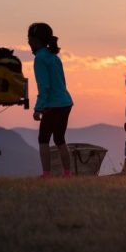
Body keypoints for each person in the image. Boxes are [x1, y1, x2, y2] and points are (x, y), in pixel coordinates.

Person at [28, 23, 73, 177]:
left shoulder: (40, 59)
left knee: (43, 139)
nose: (28, 42)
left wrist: (38, 108)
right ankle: (67, 173)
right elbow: (61, 82)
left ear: (35, 40)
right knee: (60, 139)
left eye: (29, 38)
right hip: (66, 102)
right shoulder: (54, 57)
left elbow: (44, 87)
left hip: (53, 104)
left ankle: (46, 174)